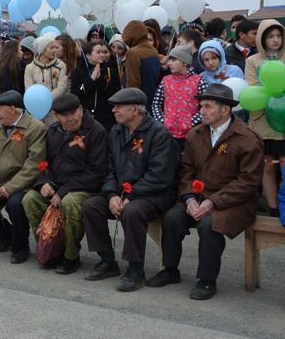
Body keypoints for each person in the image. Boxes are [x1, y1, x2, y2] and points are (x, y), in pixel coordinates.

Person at [146, 83, 263, 300]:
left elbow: (248, 182)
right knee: (172, 217)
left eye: (208, 107)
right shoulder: (195, 133)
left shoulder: (247, 138)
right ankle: (170, 270)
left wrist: (214, 202)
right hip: (199, 197)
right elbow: (186, 171)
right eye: (201, 106)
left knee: (210, 225)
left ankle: (207, 280)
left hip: (236, 202)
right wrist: (190, 198)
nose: (201, 111)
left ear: (225, 110)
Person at [82, 88, 180, 291]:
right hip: (122, 193)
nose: (113, 111)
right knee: (91, 206)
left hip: (155, 194)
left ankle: (136, 270)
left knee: (132, 211)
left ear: (135, 109)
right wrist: (110, 195)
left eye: (118, 107)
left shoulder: (159, 133)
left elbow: (160, 175)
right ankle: (107, 260)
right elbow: (108, 168)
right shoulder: (116, 131)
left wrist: (131, 195)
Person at [22, 94, 108, 273]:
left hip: (84, 187)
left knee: (69, 204)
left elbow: (96, 172)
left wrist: (63, 192)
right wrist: (43, 182)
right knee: (30, 198)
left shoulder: (96, 131)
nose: (70, 118)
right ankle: (50, 250)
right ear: (56, 115)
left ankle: (71, 256)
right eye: (64, 115)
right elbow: (43, 163)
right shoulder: (53, 131)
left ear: (81, 109)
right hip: (58, 186)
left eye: (74, 112)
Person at [0, 90, 46, 264]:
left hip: (24, 183)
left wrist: (11, 187)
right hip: (1, 181)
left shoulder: (36, 128)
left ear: (12, 109)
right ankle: (7, 237)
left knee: (15, 205)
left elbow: (34, 164)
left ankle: (20, 247)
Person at [245, 19, 285, 218]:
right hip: (263, 120)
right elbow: (251, 86)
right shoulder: (252, 61)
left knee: (284, 164)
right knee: (268, 165)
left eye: (278, 35)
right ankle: (273, 209)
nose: (275, 40)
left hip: (283, 119)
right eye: (270, 36)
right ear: (262, 39)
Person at [151, 45, 207, 151]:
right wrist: (162, 121)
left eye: (174, 59)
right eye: (170, 60)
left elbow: (206, 106)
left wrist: (192, 122)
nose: (170, 63)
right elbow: (156, 103)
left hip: (191, 134)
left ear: (184, 62)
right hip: (168, 134)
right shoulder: (166, 80)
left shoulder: (198, 80)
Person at [71, 40, 121, 131]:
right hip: (85, 117)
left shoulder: (110, 71)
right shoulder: (78, 72)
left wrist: (100, 79)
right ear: (88, 55)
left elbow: (115, 93)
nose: (102, 55)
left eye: (103, 52)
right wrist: (91, 80)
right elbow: (76, 93)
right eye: (98, 52)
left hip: (106, 118)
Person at [24, 34, 68, 122]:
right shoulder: (30, 68)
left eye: (55, 47)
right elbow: (29, 89)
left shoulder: (61, 66)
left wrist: (46, 100)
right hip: (37, 110)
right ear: (42, 50)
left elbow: (61, 87)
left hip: (55, 110)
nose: (55, 50)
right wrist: (39, 103)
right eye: (51, 48)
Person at [121, 20, 160, 111]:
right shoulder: (153, 51)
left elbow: (132, 82)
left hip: (138, 103)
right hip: (151, 99)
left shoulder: (133, 53)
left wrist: (131, 106)